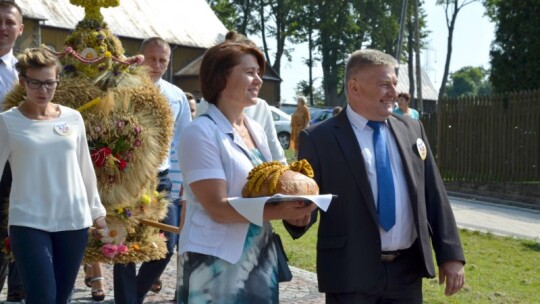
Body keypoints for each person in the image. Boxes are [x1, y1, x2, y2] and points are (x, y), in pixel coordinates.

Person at [287, 49, 465, 303]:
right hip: (350, 274)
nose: (393, 92)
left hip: (407, 273)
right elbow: (307, 202)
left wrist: (451, 255)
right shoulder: (318, 139)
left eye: (394, 83)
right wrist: (298, 218)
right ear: (355, 87)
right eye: (384, 84)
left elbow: (433, 194)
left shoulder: (412, 129)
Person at [176, 37, 315, 303]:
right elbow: (216, 206)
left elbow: (270, 185)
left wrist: (297, 208)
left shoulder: (256, 129)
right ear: (221, 77)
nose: (259, 80)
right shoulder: (200, 132)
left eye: (259, 73)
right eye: (250, 72)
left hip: (258, 256)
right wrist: (280, 211)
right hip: (216, 262)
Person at [0, 45, 108, 304]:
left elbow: (85, 169)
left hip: (73, 221)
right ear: (22, 81)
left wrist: (98, 214)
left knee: (62, 298)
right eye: (35, 83)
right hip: (28, 222)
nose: (43, 90)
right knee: (43, 297)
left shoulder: (73, 118)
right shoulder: (6, 122)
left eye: (50, 83)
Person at [112, 37, 192, 304]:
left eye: (163, 60)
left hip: (162, 178)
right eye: (151, 58)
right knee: (125, 244)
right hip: (128, 178)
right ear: (140, 56)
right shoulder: (122, 89)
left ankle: (133, 296)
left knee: (167, 244)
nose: (156, 65)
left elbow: (182, 144)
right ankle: (126, 300)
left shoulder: (176, 95)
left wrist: (182, 188)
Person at [0, 1, 26, 303]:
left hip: (19, 166)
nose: (3, 28)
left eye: (9, 22)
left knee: (21, 230)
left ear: (20, 29)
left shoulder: (26, 75)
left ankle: (19, 293)